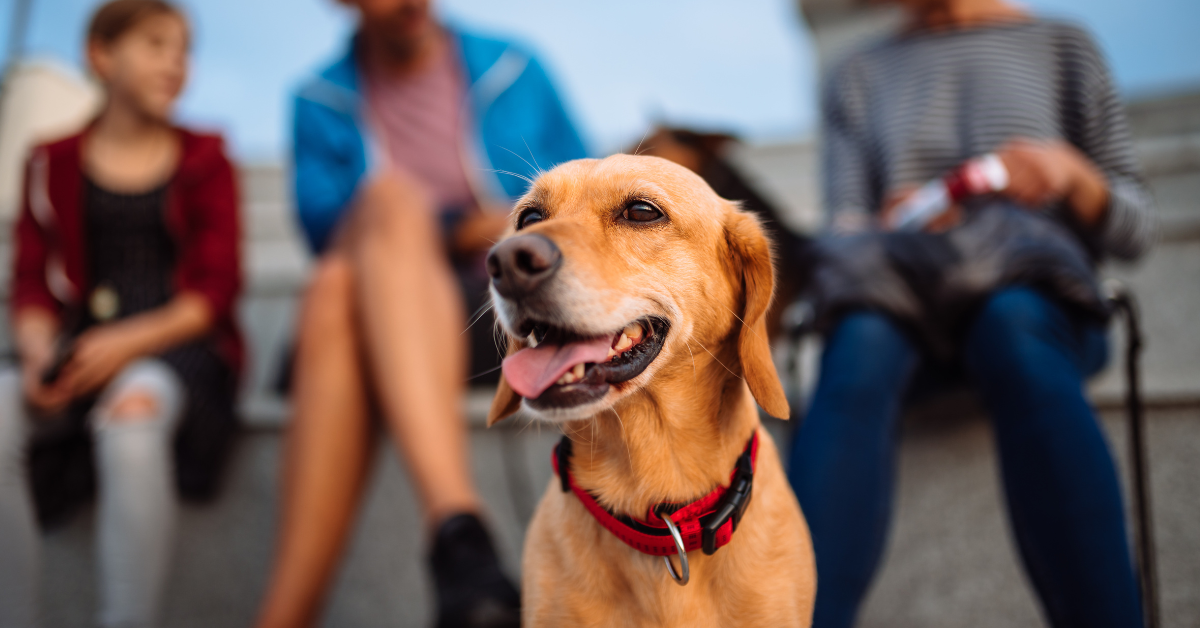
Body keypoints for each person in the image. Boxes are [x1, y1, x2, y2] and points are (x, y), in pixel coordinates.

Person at [786, 0, 1154, 626]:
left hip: (1028, 298)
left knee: (1011, 324)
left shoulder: (1064, 45)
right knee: (859, 345)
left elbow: (1135, 228)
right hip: (901, 299)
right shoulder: (854, 72)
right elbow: (844, 226)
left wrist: (1069, 173)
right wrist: (892, 221)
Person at [253, 0, 587, 626]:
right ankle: (460, 536)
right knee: (372, 224)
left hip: (507, 312)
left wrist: (518, 222)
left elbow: (589, 194)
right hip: (389, 305)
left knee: (334, 288)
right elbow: (324, 226)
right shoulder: (318, 99)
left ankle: (292, 614)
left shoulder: (514, 67)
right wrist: (456, 230)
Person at [0, 1, 242, 626]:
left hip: (176, 345)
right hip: (79, 341)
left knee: (132, 411)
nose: (175, 63)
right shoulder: (48, 159)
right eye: (157, 45)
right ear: (101, 55)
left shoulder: (207, 156)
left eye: (184, 50)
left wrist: (123, 344)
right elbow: (29, 282)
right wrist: (35, 352)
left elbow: (214, 292)